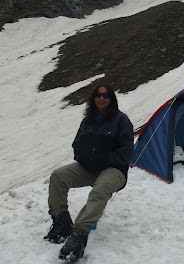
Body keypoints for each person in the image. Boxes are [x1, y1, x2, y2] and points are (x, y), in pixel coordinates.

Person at [44, 83, 134, 262]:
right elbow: (77, 144)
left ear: (111, 99)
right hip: (88, 167)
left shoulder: (121, 120)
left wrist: (104, 160)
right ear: (93, 98)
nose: (102, 98)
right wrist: (83, 157)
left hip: (114, 170)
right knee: (58, 176)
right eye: (98, 95)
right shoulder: (88, 121)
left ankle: (79, 235)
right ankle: (61, 222)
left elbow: (126, 152)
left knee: (99, 191)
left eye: (106, 95)